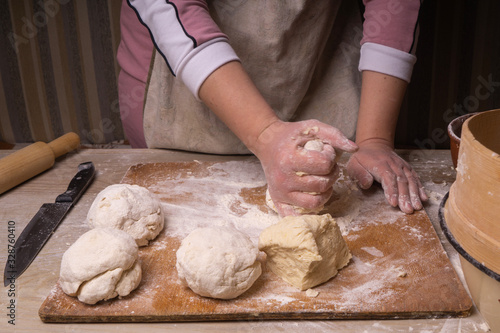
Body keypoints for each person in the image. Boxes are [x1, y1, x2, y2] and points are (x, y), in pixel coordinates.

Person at [117, 0, 428, 216]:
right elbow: (170, 8)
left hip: (318, 67)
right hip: (182, 101)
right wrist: (265, 134)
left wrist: (374, 139)